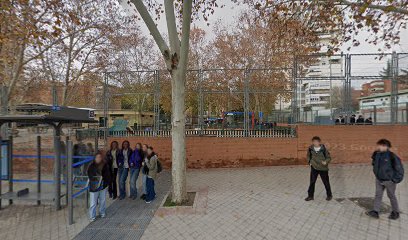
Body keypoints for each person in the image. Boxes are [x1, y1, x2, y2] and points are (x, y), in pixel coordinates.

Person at [366, 139, 404, 220]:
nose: (379, 147)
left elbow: (399, 169)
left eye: (381, 145)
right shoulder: (376, 154)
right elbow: (374, 163)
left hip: (389, 181)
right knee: (378, 195)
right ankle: (375, 212)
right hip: (379, 179)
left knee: (391, 196)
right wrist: (376, 173)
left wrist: (394, 180)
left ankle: (395, 212)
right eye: (379, 145)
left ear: (386, 146)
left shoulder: (392, 156)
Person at [305, 136, 333, 201]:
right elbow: (308, 156)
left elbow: (329, 157)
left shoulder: (323, 149)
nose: (315, 143)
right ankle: (310, 196)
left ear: (319, 142)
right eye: (314, 141)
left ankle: (329, 195)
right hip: (314, 167)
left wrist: (326, 162)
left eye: (316, 142)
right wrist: (310, 162)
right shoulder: (310, 148)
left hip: (323, 168)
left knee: (326, 182)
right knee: (312, 182)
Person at [87, 152, 111, 221]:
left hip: (103, 186)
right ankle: (92, 216)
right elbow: (90, 175)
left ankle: (102, 212)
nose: (98, 159)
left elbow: (108, 175)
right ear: (94, 158)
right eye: (97, 157)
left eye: (100, 157)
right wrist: (96, 180)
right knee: (93, 203)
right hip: (94, 186)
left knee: (102, 200)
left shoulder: (105, 165)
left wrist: (106, 182)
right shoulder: (91, 165)